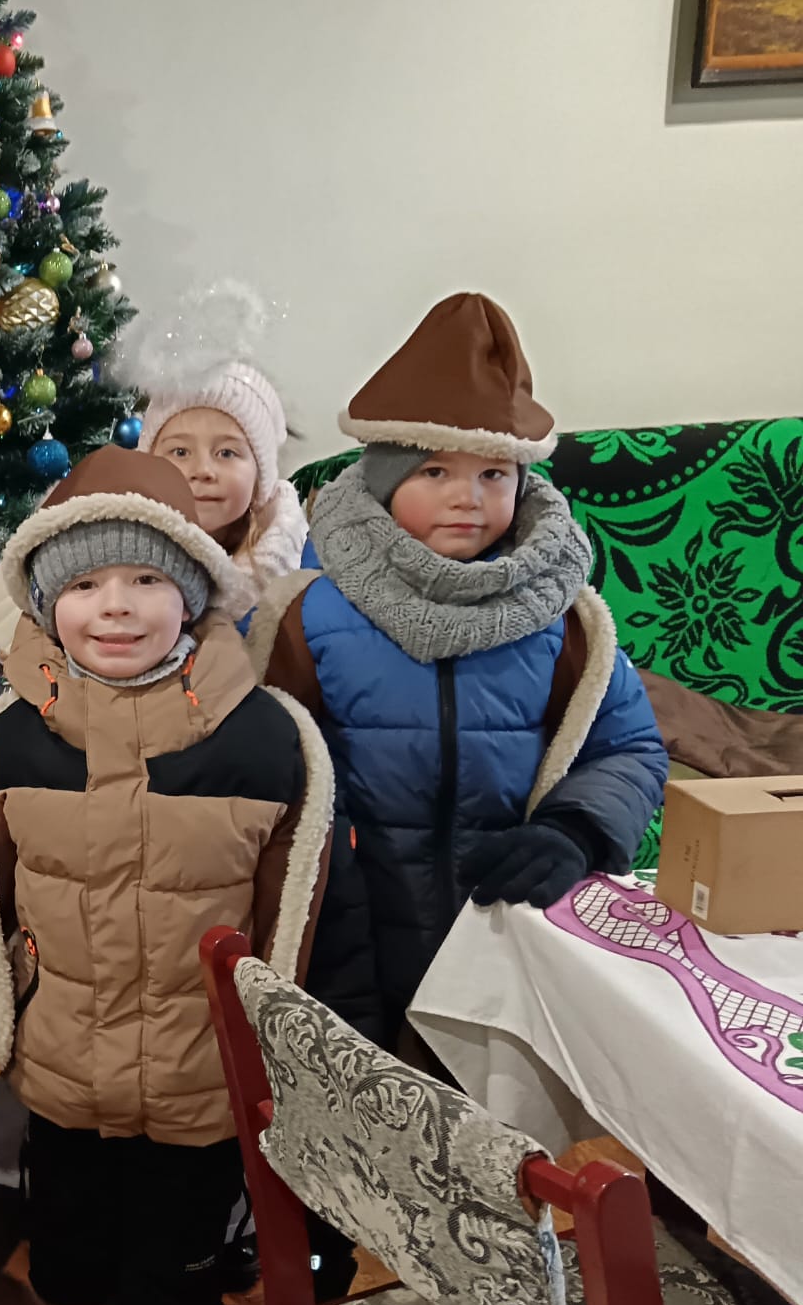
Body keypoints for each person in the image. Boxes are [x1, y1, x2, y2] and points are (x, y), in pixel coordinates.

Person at [0, 448, 372, 1305]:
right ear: (46, 603)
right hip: (62, 1063)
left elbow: (311, 913)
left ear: (192, 595)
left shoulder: (267, 741)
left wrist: (321, 1061)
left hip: (203, 1072)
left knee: (180, 1241)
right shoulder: (6, 741)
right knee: (66, 1223)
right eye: (83, 585)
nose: (114, 608)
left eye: (145, 581)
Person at [248, 292, 668, 1046]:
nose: (467, 499)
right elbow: (258, 763)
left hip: (510, 940)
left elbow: (628, 746)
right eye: (435, 470)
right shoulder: (304, 617)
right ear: (383, 480)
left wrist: (575, 831)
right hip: (348, 943)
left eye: (494, 475)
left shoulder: (566, 620)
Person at [141, 360, 306, 624]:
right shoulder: (119, 552)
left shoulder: (301, 571)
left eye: (226, 453)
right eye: (180, 452)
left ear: (259, 477)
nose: (203, 470)